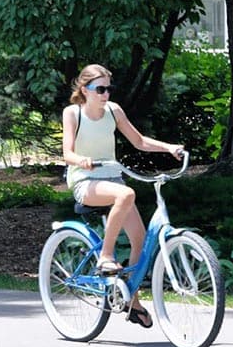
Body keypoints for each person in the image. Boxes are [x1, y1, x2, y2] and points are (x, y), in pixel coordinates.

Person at [62, 64, 183, 329]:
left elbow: (139, 141)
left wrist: (169, 148)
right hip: (84, 180)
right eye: (100, 89)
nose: (105, 94)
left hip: (111, 179)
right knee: (126, 194)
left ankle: (132, 300)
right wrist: (82, 161)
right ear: (85, 90)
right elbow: (67, 153)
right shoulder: (73, 113)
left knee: (141, 238)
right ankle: (106, 255)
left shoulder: (114, 111)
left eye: (108, 88)